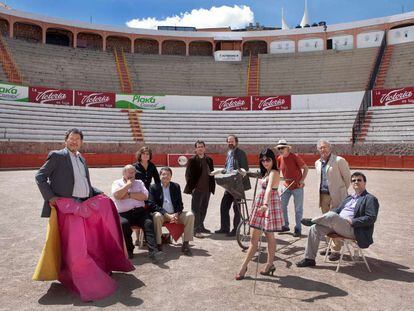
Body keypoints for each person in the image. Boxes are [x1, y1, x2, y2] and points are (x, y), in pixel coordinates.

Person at [34, 128, 134, 302]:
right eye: (71, 138)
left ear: (81, 142)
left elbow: (86, 185)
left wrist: (100, 194)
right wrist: (50, 197)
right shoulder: (57, 156)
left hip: (83, 205)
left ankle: (93, 270)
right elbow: (40, 176)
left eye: (77, 139)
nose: (74, 141)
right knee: (76, 246)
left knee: (89, 242)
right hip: (67, 207)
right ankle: (80, 280)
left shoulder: (81, 158)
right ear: (66, 140)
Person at [296, 172, 379, 268]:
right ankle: (309, 259)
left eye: (359, 180)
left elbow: (371, 218)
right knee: (314, 228)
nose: (356, 182)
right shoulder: (349, 198)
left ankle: (312, 220)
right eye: (353, 180)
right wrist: (331, 214)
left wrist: (353, 221)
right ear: (351, 184)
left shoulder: (370, 199)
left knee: (332, 216)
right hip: (338, 225)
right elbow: (338, 210)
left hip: (354, 229)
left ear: (365, 182)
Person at [235, 148, 284, 280]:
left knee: (269, 237)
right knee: (254, 239)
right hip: (261, 205)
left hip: (268, 205)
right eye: (262, 160)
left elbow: (268, 189)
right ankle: (245, 266)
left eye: (267, 159)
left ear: (273, 160)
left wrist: (265, 204)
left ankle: (268, 265)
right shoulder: (266, 172)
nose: (265, 162)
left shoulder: (274, 172)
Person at [112, 164, 164, 262]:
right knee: (124, 224)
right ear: (124, 173)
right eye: (129, 172)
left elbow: (145, 196)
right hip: (124, 213)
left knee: (148, 223)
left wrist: (128, 195)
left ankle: (153, 251)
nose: (132, 174)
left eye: (133, 172)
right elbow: (117, 195)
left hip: (140, 212)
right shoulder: (117, 183)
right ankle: (129, 249)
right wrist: (128, 185)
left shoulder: (139, 182)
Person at [315, 139, 351, 260]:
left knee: (335, 222)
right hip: (323, 195)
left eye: (325, 147)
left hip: (337, 196)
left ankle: (336, 250)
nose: (322, 149)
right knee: (325, 222)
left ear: (330, 148)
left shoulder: (339, 160)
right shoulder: (317, 163)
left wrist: (341, 191)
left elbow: (347, 179)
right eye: (320, 148)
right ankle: (329, 246)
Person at [148, 167, 195, 256]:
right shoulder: (153, 187)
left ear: (171, 177)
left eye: (168, 175)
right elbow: (152, 204)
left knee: (190, 215)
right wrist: (167, 215)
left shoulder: (176, 186)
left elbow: (180, 204)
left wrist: (176, 214)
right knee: (156, 216)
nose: (166, 176)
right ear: (160, 176)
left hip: (175, 214)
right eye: (163, 174)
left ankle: (186, 244)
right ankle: (158, 245)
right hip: (162, 215)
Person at [215, 134, 251, 236]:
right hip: (228, 184)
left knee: (237, 208)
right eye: (229, 141)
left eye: (232, 141)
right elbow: (228, 167)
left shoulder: (241, 153)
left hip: (237, 185)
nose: (230, 143)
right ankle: (224, 228)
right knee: (224, 206)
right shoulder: (229, 153)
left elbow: (245, 169)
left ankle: (236, 230)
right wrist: (224, 172)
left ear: (236, 142)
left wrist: (237, 172)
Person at [276, 139, 309, 237]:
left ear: (287, 148)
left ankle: (298, 228)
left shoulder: (295, 157)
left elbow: (306, 168)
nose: (280, 149)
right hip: (286, 186)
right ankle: (285, 225)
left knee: (298, 208)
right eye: (279, 148)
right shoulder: (279, 158)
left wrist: (302, 180)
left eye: (282, 147)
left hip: (297, 187)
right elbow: (277, 171)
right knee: (282, 205)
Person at [184, 140, 215, 238]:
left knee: (203, 209)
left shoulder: (209, 160)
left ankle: (201, 226)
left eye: (202, 146)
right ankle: (195, 230)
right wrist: (192, 188)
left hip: (207, 189)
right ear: (196, 149)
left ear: (204, 148)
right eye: (198, 147)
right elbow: (187, 175)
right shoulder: (192, 160)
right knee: (196, 210)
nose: (200, 148)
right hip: (197, 189)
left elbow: (212, 173)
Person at [133, 146, 161, 245]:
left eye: (147, 154)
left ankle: (145, 237)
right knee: (137, 211)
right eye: (144, 154)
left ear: (150, 156)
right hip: (137, 193)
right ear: (140, 155)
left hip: (148, 193)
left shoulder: (152, 166)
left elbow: (157, 180)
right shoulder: (135, 166)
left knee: (146, 213)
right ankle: (137, 238)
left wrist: (156, 192)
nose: (145, 155)